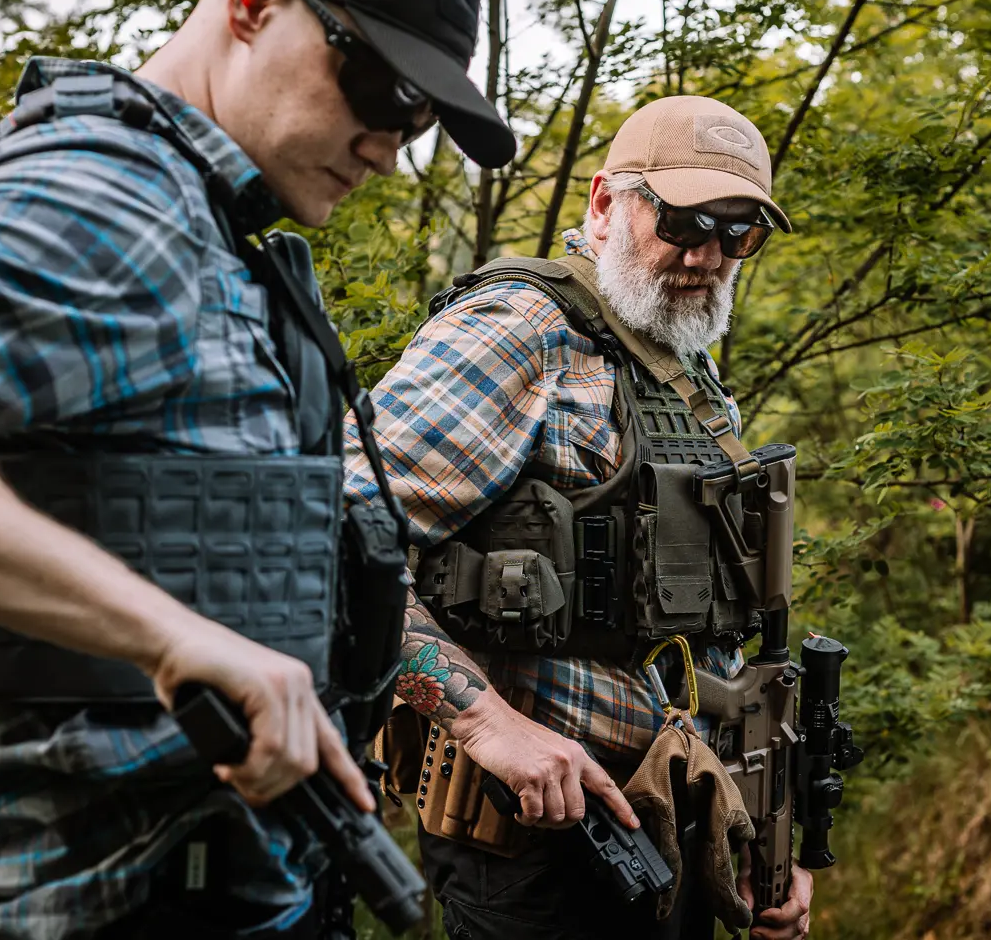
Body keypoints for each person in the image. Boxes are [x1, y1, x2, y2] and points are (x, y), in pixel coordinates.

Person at [0, 0, 513, 938]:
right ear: (256, 0)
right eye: (385, 90)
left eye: (419, 123)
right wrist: (171, 637)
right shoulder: (114, 200)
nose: (388, 148)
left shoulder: (201, 225)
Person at [346, 96, 815, 939]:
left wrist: (761, 831)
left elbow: (701, 633)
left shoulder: (683, 363)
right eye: (682, 221)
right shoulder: (518, 330)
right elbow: (329, 537)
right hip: (538, 853)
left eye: (738, 233)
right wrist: (488, 725)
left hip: (671, 825)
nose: (706, 255)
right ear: (605, 203)